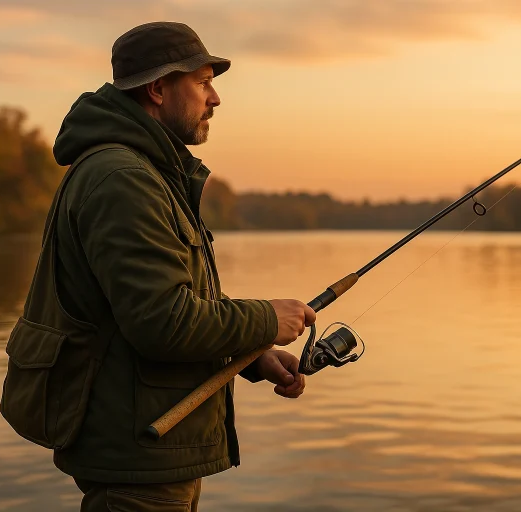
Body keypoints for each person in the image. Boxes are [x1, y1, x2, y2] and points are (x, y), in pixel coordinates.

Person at [35, 21, 315, 511]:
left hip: (149, 452)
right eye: (203, 82)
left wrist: (252, 353)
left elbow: (170, 303)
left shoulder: (144, 172)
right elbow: (161, 322)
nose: (216, 98)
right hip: (138, 460)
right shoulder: (123, 179)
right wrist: (267, 318)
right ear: (159, 88)